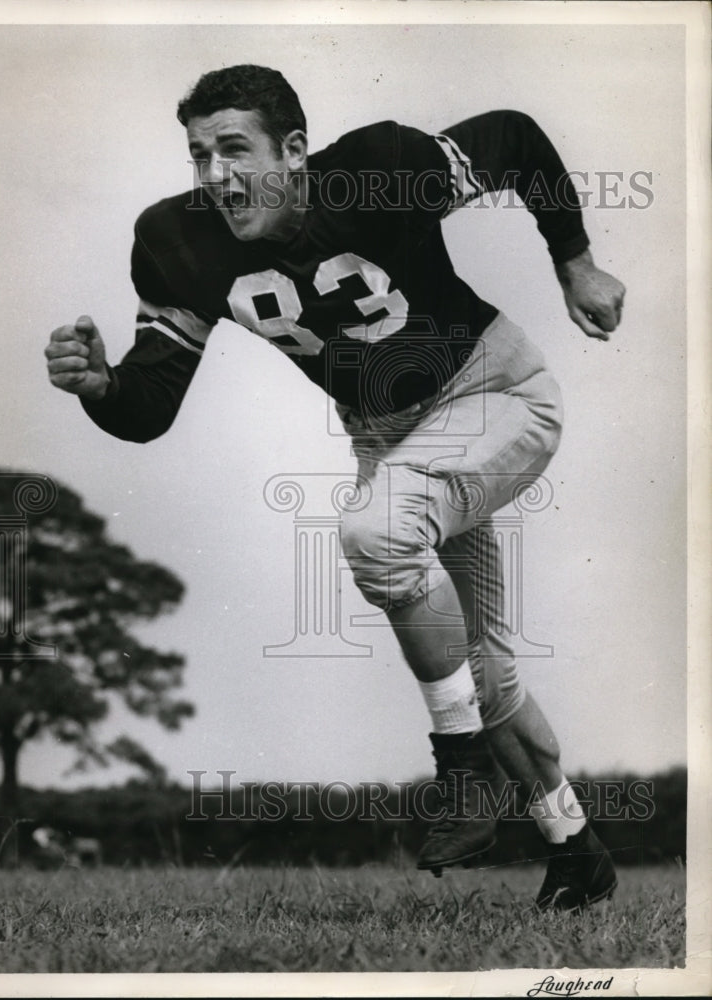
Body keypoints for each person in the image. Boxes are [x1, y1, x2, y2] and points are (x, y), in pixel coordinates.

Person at [45, 64, 625, 910]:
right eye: (200, 155)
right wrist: (102, 389)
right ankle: (578, 849)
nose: (217, 176)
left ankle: (462, 777)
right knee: (482, 671)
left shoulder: (377, 170)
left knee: (372, 532)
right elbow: (150, 407)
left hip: (494, 392)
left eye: (235, 150)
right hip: (388, 438)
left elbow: (511, 136)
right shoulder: (177, 241)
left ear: (296, 151)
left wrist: (574, 261)